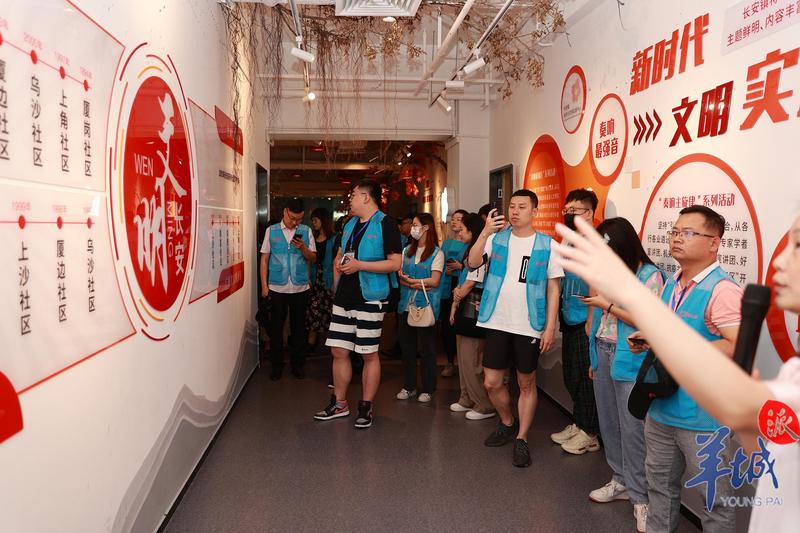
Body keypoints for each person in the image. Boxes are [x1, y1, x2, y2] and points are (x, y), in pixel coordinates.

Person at [554, 212, 800, 533]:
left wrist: (666, 340)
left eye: (688, 233)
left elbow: (737, 347)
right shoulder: (673, 282)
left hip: (702, 420)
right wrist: (651, 339)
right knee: (659, 490)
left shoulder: (722, 290)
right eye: (675, 231)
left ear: (714, 243)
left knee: (714, 504)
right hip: (661, 409)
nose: (676, 238)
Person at [467, 189, 563, 468]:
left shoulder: (548, 245)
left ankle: (522, 437)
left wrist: (549, 328)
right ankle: (508, 422)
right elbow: (473, 263)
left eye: (522, 206)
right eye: (512, 206)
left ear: (535, 211)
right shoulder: (496, 239)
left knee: (526, 383)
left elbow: (553, 289)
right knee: (491, 382)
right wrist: (484, 233)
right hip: (496, 319)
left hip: (529, 323)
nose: (515, 211)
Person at [583, 218, 665, 533]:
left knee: (632, 430)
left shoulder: (649, 275)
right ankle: (620, 480)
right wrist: (594, 357)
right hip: (603, 350)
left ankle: (641, 497)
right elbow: (597, 319)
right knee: (609, 423)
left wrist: (607, 305)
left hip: (630, 358)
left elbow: (647, 320)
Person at [314, 179, 402, 429]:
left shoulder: (386, 224)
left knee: (368, 353)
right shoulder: (350, 224)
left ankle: (366, 406)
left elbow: (395, 263)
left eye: (352, 195)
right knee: (338, 350)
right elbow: (341, 255)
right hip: (344, 296)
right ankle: (339, 403)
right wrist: (338, 270)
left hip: (371, 296)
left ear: (366, 197)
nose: (349, 200)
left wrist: (360, 265)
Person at [551, 189, 602, 454]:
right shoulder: (569, 241)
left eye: (575, 210)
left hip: (585, 319)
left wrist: (591, 321)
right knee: (571, 375)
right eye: (567, 210)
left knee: (585, 378)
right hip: (569, 317)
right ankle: (579, 422)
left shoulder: (595, 243)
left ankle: (589, 432)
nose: (569, 214)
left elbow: (596, 284)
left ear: (590, 213)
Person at [259, 198, 317, 380]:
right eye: (293, 218)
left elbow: (313, 258)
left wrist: (303, 248)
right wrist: (264, 286)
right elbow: (264, 259)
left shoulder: (306, 231)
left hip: (300, 287)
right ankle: (277, 365)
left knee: (298, 329)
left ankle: (297, 364)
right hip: (277, 287)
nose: (295, 222)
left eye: (299, 219)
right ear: (285, 212)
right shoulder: (271, 231)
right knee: (276, 329)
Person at [449, 213, 495, 420]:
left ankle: (484, 405)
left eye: (463, 229)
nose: (459, 232)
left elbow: (473, 279)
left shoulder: (483, 249)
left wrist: (459, 294)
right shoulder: (469, 249)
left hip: (474, 308)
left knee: (472, 359)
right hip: (464, 306)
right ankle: (466, 398)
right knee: (463, 357)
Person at [396, 213, 444, 403]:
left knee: (427, 349)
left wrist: (411, 282)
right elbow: (400, 277)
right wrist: (413, 283)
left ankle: (428, 388)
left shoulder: (437, 253)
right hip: (405, 305)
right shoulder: (406, 250)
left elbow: (435, 280)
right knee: (407, 349)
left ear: (426, 228)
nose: (412, 228)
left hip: (426, 306)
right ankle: (409, 386)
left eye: (415, 225)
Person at [440, 209, 469, 377]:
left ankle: (464, 364)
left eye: (459, 219)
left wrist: (460, 266)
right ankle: (450, 361)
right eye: (453, 219)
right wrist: (447, 270)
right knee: (447, 326)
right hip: (447, 285)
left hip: (462, 286)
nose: (454, 221)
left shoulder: (470, 243)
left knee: (460, 324)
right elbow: (440, 263)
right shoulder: (446, 243)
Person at [306, 207, 335, 353]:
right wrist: (308, 277)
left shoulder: (334, 238)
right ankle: (311, 344)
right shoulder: (312, 238)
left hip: (329, 278)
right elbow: (308, 260)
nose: (313, 222)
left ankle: (334, 346)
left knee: (331, 311)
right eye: (312, 220)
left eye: (315, 220)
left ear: (323, 220)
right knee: (313, 311)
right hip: (315, 278)